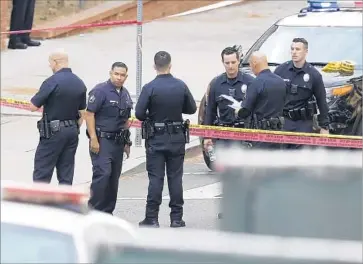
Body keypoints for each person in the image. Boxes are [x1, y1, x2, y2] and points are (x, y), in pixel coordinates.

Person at [135, 51, 197, 228]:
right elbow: (191, 108)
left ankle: (152, 218)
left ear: (155, 67)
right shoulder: (180, 85)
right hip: (176, 138)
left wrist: (151, 114)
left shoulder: (150, 88)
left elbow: (139, 114)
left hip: (156, 138)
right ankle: (176, 218)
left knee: (156, 179)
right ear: (170, 65)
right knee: (175, 178)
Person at [30, 49, 87, 185]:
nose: (50, 66)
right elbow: (82, 111)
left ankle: (39, 204)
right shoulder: (79, 82)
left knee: (42, 172)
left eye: (50, 63)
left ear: (55, 62)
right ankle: (64, 204)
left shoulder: (52, 81)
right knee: (66, 172)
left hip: (53, 132)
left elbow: (33, 106)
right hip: (72, 131)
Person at [85, 62, 133, 215]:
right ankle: (93, 211)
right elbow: (89, 114)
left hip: (118, 142)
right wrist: (93, 138)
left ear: (126, 76)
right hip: (102, 140)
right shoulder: (100, 91)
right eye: (116, 74)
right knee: (102, 175)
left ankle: (107, 213)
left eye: (122, 75)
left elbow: (125, 120)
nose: (119, 78)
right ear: (110, 73)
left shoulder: (124, 94)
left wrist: (127, 142)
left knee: (113, 178)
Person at [274, 38, 330, 149]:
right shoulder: (280, 70)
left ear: (306, 52)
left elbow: (322, 101)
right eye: (292, 49)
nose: (294, 52)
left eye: (298, 49)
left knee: (300, 158)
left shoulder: (314, 75)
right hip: (284, 121)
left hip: (303, 122)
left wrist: (324, 126)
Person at [203, 46, 255, 151]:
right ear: (222, 62)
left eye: (233, 62)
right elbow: (210, 111)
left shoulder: (250, 82)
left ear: (238, 61)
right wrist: (207, 136)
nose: (230, 66)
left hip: (244, 135)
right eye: (227, 63)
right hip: (223, 135)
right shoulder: (216, 84)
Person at [234, 51, 287, 149]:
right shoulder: (281, 82)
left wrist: (238, 111)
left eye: (250, 64)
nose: (250, 67)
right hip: (278, 134)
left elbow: (245, 111)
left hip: (261, 136)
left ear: (254, 63)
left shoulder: (256, 83)